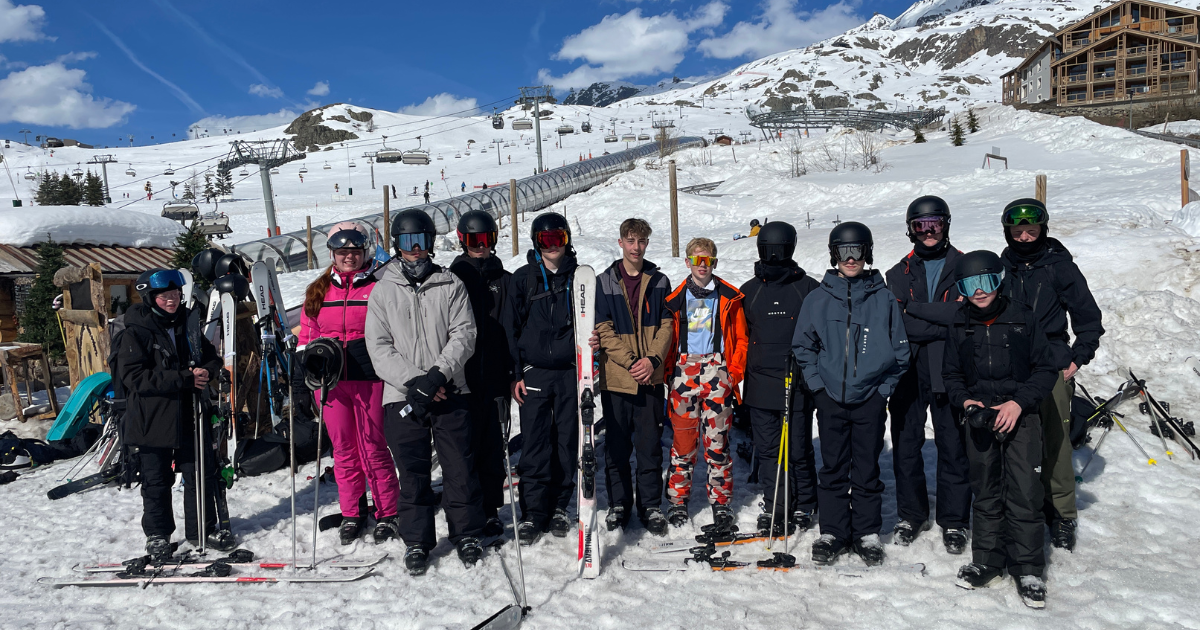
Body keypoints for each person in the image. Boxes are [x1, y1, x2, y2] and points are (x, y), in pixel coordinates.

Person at [365, 209, 483, 576]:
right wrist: (415, 382)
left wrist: (437, 376)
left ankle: (466, 532)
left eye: (421, 241)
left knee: (459, 466)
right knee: (412, 470)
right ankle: (417, 539)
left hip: (449, 389)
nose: (415, 249)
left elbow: (464, 334)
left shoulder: (450, 283)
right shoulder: (383, 290)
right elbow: (379, 346)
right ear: (397, 245)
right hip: (402, 396)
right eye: (407, 242)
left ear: (430, 243)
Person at [943, 250, 1057, 609]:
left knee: (1025, 490)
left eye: (986, 282)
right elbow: (951, 374)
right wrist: (967, 402)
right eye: (969, 285)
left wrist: (1018, 403)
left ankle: (1028, 568)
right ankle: (988, 560)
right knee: (986, 489)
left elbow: (1045, 369)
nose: (979, 291)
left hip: (1020, 414)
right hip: (981, 417)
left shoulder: (1023, 317)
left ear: (999, 280)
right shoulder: (959, 323)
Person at [793, 222, 909, 566]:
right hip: (830, 399)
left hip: (869, 399)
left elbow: (901, 353)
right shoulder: (818, 299)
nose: (850, 258)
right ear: (834, 255)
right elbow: (803, 347)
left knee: (866, 467)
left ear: (867, 253)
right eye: (843, 251)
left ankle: (866, 532)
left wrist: (882, 392)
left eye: (857, 250)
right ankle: (833, 531)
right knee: (833, 467)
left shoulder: (883, 299)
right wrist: (818, 387)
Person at [999, 198, 1103, 552]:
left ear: (1043, 229)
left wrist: (1078, 356)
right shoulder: (1002, 267)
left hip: (1052, 363)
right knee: (1014, 441)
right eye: (1018, 232)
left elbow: (1088, 317)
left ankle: (1062, 513)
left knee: (1056, 441)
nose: (1025, 238)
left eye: (1032, 230)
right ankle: (1020, 504)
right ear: (1008, 232)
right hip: (1011, 366)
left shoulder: (1060, 266)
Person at [296, 222, 401, 545]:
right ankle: (352, 512)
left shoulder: (380, 287)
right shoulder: (318, 291)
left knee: (374, 446)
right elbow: (306, 337)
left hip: (370, 378)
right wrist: (306, 372)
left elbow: (394, 331)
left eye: (355, 252)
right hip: (331, 382)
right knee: (343, 449)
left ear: (365, 252)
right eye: (342, 252)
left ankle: (388, 512)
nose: (349, 257)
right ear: (332, 254)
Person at [117, 268, 227, 561]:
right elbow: (135, 377)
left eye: (176, 294)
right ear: (150, 297)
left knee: (198, 474)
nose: (172, 300)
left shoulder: (186, 324)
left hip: (190, 414)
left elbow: (211, 358)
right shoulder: (135, 331)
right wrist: (185, 378)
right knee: (156, 480)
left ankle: (202, 529)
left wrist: (207, 371)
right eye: (165, 295)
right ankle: (157, 535)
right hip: (152, 418)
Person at [885, 196, 971, 553]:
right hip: (908, 368)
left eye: (935, 223)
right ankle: (912, 514)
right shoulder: (897, 273)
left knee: (953, 445)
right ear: (911, 230)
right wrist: (941, 317)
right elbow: (897, 323)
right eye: (920, 225)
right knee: (906, 445)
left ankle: (954, 520)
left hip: (950, 367)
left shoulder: (965, 267)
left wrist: (916, 310)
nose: (928, 231)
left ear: (946, 225)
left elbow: (964, 317)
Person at [739, 221, 820, 535]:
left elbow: (820, 334)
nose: (774, 256)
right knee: (769, 450)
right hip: (761, 384)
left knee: (797, 448)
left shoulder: (807, 288)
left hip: (796, 383)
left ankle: (805, 502)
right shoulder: (750, 291)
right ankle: (777, 504)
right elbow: (740, 337)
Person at [594, 218, 673, 535]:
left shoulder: (660, 281)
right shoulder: (604, 282)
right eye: (630, 240)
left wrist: (652, 361)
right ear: (620, 243)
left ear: (647, 244)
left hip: (651, 378)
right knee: (617, 447)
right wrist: (631, 363)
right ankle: (619, 504)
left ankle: (650, 505)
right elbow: (604, 330)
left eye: (641, 241)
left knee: (649, 445)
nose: (636, 247)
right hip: (618, 378)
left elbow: (667, 326)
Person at [505, 212, 580, 544]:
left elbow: (592, 322)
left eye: (558, 239)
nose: (553, 246)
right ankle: (533, 511)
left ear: (567, 240)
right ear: (537, 243)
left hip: (569, 372)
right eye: (546, 240)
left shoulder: (579, 278)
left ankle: (560, 505)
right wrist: (515, 373)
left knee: (566, 441)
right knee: (535, 442)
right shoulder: (524, 279)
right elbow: (510, 330)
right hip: (533, 372)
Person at [662, 237, 748, 529]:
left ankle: (721, 502)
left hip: (716, 370)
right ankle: (677, 501)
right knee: (683, 443)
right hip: (684, 371)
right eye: (697, 260)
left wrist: (732, 373)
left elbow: (741, 339)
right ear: (688, 262)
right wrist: (669, 372)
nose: (703, 266)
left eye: (708, 261)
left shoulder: (728, 297)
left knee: (718, 443)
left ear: (715, 263)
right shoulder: (675, 299)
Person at [449, 211, 513, 541]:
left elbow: (514, 329)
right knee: (463, 449)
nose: (481, 246)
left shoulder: (505, 280)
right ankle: (467, 511)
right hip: (462, 378)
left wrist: (513, 371)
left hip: (495, 378)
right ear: (463, 241)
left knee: (492, 448)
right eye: (474, 240)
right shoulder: (451, 279)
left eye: (487, 239)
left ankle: (490, 509)